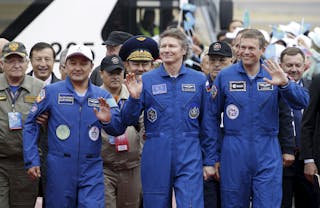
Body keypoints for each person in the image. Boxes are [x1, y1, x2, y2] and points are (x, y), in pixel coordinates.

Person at [22, 44, 138, 207]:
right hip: (59, 168)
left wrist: (107, 120)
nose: (78, 67)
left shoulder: (102, 96)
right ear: (65, 65)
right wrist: (32, 160)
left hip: (91, 168)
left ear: (92, 67)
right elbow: (30, 123)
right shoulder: (51, 92)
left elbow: (118, 128)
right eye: (73, 62)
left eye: (83, 63)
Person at [211, 29, 309, 207]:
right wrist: (213, 156)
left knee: (268, 201)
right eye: (242, 47)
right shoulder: (225, 76)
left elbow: (302, 102)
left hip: (267, 149)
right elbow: (211, 118)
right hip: (234, 149)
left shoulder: (274, 73)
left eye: (251, 48)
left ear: (263, 50)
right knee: (232, 202)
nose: (245, 52)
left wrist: (286, 84)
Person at [124, 28, 217, 208]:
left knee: (191, 203)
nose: (166, 49)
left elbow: (208, 124)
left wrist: (209, 161)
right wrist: (134, 98)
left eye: (172, 46)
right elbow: (128, 119)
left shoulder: (198, 79)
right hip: (156, 152)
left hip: (189, 152)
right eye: (163, 46)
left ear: (184, 50)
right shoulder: (147, 79)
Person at [0, 41, 44, 207]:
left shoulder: (39, 88)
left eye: (20, 60)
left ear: (27, 63)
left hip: (26, 164)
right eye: (10, 61)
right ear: (2, 64)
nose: (16, 65)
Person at [280, 47, 318, 207]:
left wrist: (311, 158)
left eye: (297, 65)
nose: (294, 69)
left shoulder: (313, 86)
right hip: (282, 158)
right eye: (289, 65)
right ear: (280, 65)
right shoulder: (272, 87)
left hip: (308, 158)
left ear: (305, 66)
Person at [203, 41, 233, 208]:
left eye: (222, 61)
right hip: (205, 157)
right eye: (212, 60)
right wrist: (209, 159)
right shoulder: (199, 86)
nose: (216, 65)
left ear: (232, 61)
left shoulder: (239, 86)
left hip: (232, 156)